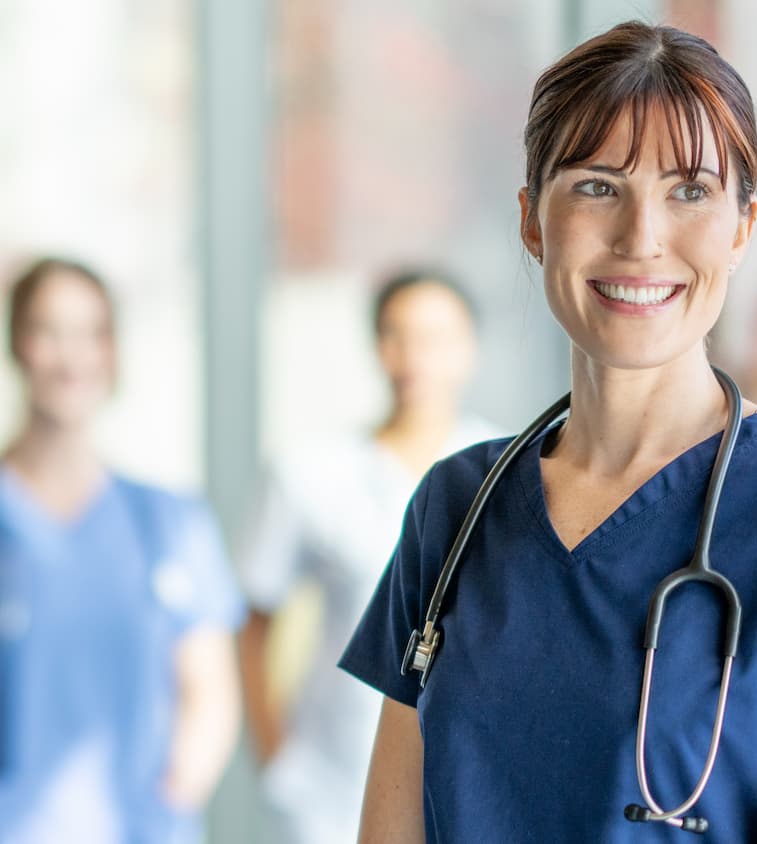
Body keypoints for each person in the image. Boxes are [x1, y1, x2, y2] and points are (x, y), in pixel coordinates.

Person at [339, 22, 757, 843]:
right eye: (598, 186)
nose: (641, 239)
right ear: (533, 221)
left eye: (690, 190)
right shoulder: (456, 508)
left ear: (742, 227)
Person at [238, 269, 500, 844]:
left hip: (459, 775)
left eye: (434, 339)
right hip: (331, 783)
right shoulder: (311, 474)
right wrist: (277, 760)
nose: (413, 358)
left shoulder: (507, 479)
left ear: (469, 351)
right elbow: (252, 619)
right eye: (396, 335)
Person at [0, 258, 243, 843]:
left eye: (91, 333)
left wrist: (169, 803)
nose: (71, 356)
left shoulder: (166, 521)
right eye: (49, 331)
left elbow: (209, 695)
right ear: (18, 344)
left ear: (112, 352)